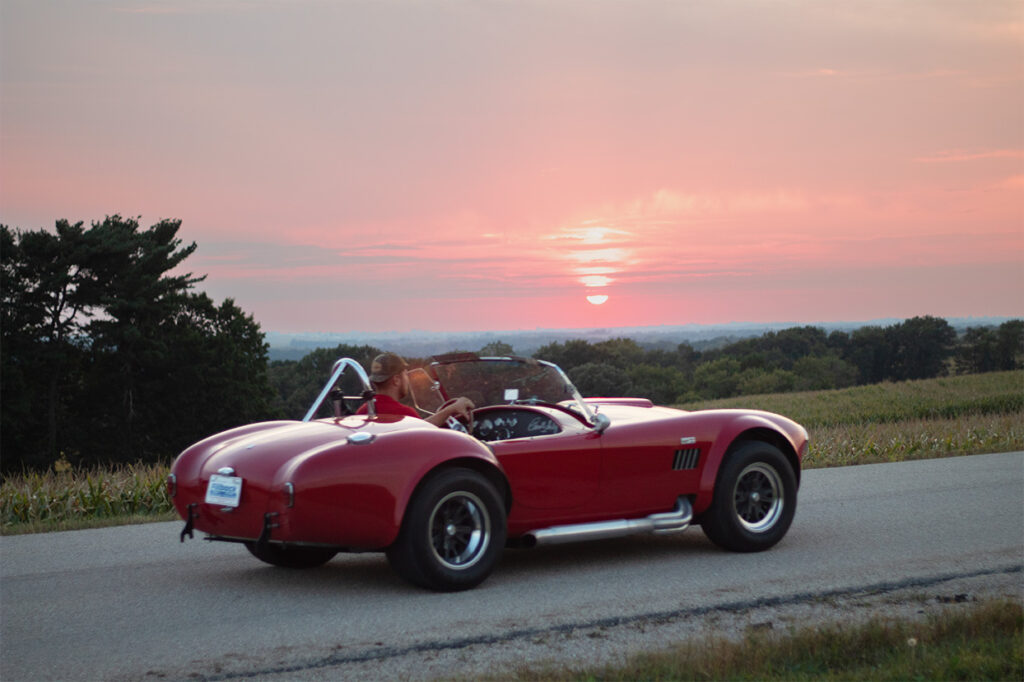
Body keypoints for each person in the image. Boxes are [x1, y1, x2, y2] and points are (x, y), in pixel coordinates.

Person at [357, 352, 475, 427]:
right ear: (397, 380)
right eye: (405, 375)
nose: (407, 380)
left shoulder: (362, 412)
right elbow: (425, 430)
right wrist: (452, 409)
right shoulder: (403, 415)